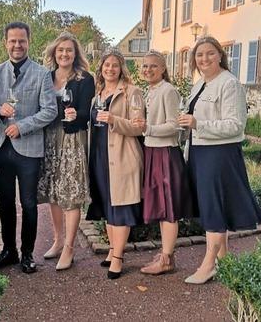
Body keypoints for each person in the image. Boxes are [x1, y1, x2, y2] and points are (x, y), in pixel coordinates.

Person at [178, 36, 261, 284]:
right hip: (199, 152)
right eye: (199, 55)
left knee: (214, 208)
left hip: (219, 155)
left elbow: (236, 125)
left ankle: (208, 265)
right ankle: (224, 262)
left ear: (220, 55)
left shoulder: (230, 84)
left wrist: (198, 123)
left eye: (209, 53)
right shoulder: (200, 84)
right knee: (211, 206)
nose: (204, 59)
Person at [0, 21, 58, 274]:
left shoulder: (41, 74)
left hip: (29, 148)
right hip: (1, 147)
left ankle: (27, 253)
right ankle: (9, 251)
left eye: (22, 41)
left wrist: (23, 125)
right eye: (12, 41)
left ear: (29, 42)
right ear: (5, 42)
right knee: (5, 202)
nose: (17, 45)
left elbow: (50, 110)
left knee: (28, 203)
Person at [132, 51, 198, 275]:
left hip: (165, 154)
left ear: (162, 69)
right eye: (145, 67)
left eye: (153, 66)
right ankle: (165, 253)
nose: (148, 70)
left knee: (168, 207)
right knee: (161, 205)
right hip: (153, 151)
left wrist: (147, 129)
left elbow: (174, 125)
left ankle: (167, 259)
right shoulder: (150, 90)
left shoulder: (168, 90)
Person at [37, 32, 94, 271]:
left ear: (75, 53)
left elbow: (87, 113)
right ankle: (58, 240)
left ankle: (70, 247)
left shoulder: (84, 78)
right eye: (60, 50)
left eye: (69, 50)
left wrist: (75, 115)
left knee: (71, 191)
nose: (64, 54)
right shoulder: (46, 77)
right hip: (49, 138)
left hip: (72, 137)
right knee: (54, 190)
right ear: (54, 53)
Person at [86, 50, 144, 280]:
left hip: (122, 156)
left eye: (115, 65)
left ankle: (119, 258)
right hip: (99, 156)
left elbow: (139, 127)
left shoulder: (133, 93)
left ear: (121, 68)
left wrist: (114, 120)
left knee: (120, 207)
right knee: (108, 205)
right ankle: (112, 250)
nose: (110, 69)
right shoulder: (97, 95)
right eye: (106, 65)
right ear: (101, 68)